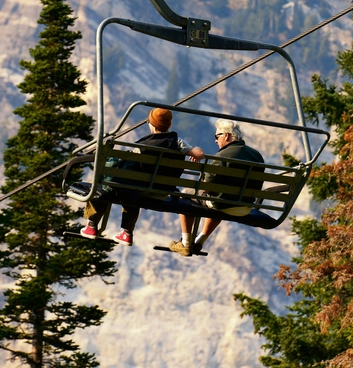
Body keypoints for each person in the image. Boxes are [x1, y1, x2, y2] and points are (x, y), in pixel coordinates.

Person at [80, 107, 204, 246]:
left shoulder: (143, 145)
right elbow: (199, 154)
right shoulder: (178, 142)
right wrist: (196, 151)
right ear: (169, 125)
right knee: (131, 189)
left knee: (104, 182)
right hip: (163, 191)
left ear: (152, 125)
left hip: (139, 191)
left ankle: (92, 226)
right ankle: (126, 232)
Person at [169, 119, 264, 257]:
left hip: (223, 205)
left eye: (217, 136)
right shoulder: (256, 155)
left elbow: (206, 187)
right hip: (245, 207)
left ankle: (186, 243)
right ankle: (199, 241)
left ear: (227, 135)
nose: (215, 140)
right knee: (220, 197)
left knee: (186, 193)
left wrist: (201, 175)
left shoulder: (223, 155)